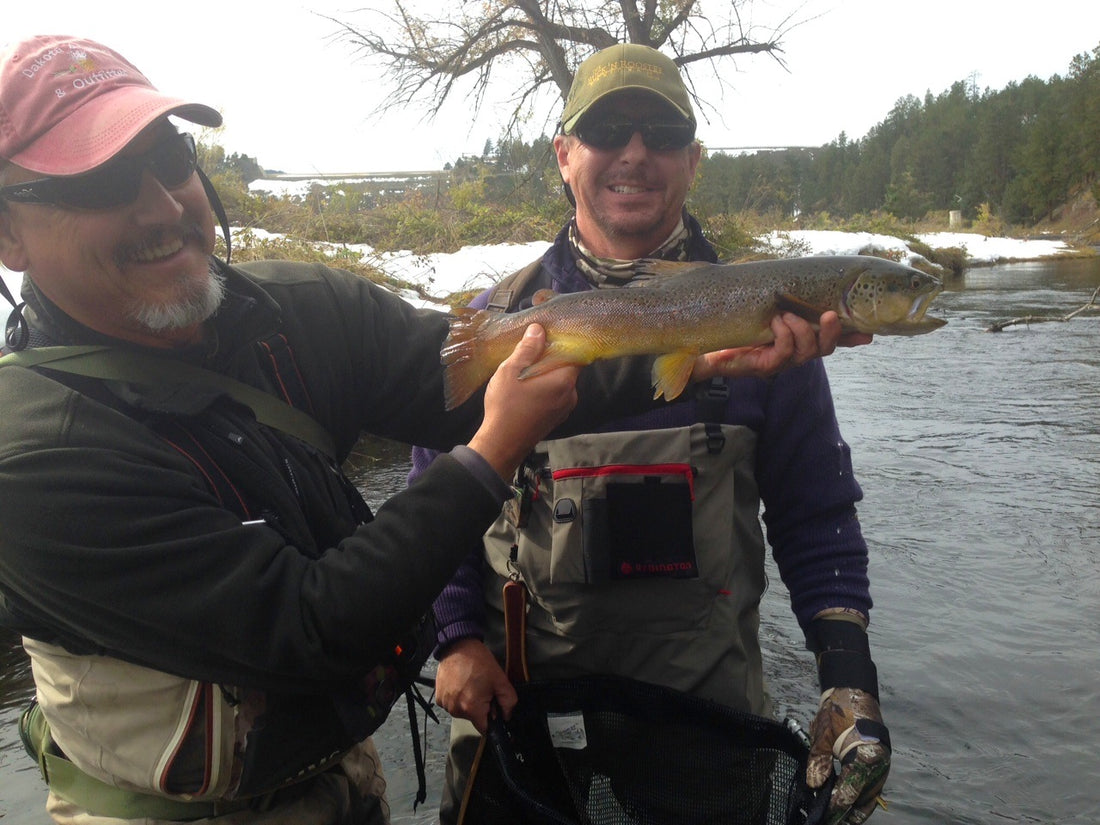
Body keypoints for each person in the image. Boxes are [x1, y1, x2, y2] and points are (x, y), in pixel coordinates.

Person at [0, 35, 849, 825]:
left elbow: (442, 384)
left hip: (343, 778)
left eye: (168, 157)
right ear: (8, 231)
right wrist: (466, 593)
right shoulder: (31, 461)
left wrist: (692, 355)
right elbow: (311, 628)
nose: (159, 205)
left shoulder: (290, 313)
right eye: (100, 182)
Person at [411, 43, 891, 825]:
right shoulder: (501, 326)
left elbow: (817, 514)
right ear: (565, 156)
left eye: (662, 133)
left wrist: (847, 673)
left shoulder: (767, 326)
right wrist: (457, 635)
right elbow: (437, 497)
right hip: (525, 713)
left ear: (693, 161)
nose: (635, 152)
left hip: (705, 729)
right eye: (608, 129)